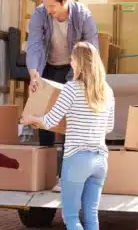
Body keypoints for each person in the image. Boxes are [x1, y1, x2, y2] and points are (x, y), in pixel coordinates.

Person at [21, 42, 115, 230]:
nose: (70, 62)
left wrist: (30, 118)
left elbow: (49, 121)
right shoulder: (107, 91)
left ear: (78, 62)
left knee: (71, 217)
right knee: (91, 216)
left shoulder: (71, 89)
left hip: (77, 159)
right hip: (100, 160)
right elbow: (109, 127)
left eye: (72, 59)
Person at [26, 0, 99, 189]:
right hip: (47, 67)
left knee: (70, 120)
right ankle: (45, 174)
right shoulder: (41, 14)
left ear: (65, 0)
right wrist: (34, 74)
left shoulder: (82, 15)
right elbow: (34, 44)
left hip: (73, 69)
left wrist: (86, 79)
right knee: (44, 118)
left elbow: (91, 48)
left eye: (52, 6)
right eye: (45, 5)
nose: (48, 10)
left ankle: (65, 178)